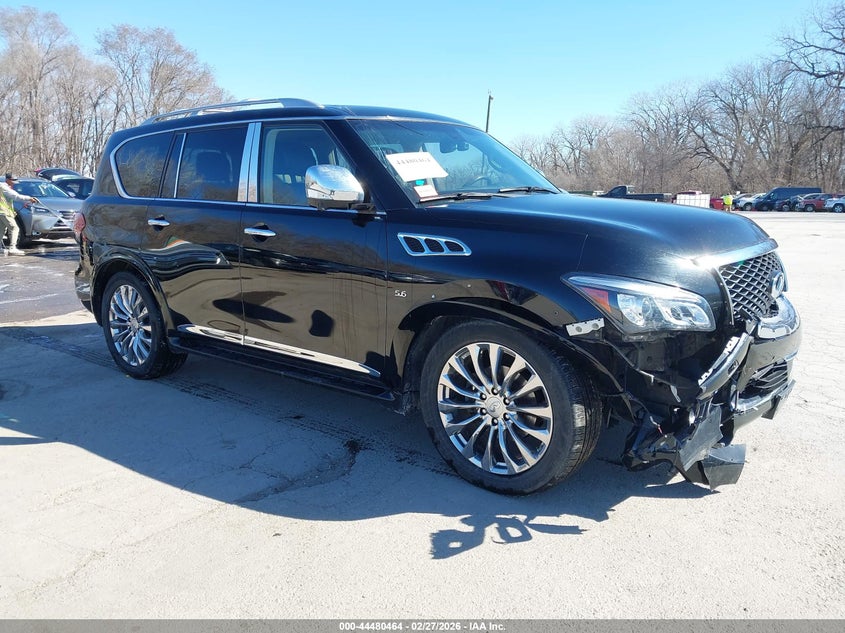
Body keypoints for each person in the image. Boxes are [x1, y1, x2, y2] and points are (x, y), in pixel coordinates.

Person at [0, 172, 38, 255]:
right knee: (14, 228)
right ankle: (12, 248)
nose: (14, 182)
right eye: (13, 180)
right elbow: (16, 196)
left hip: (2, 212)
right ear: (8, 180)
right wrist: (29, 199)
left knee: (1, 230)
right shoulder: (4, 188)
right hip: (4, 211)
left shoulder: (3, 187)